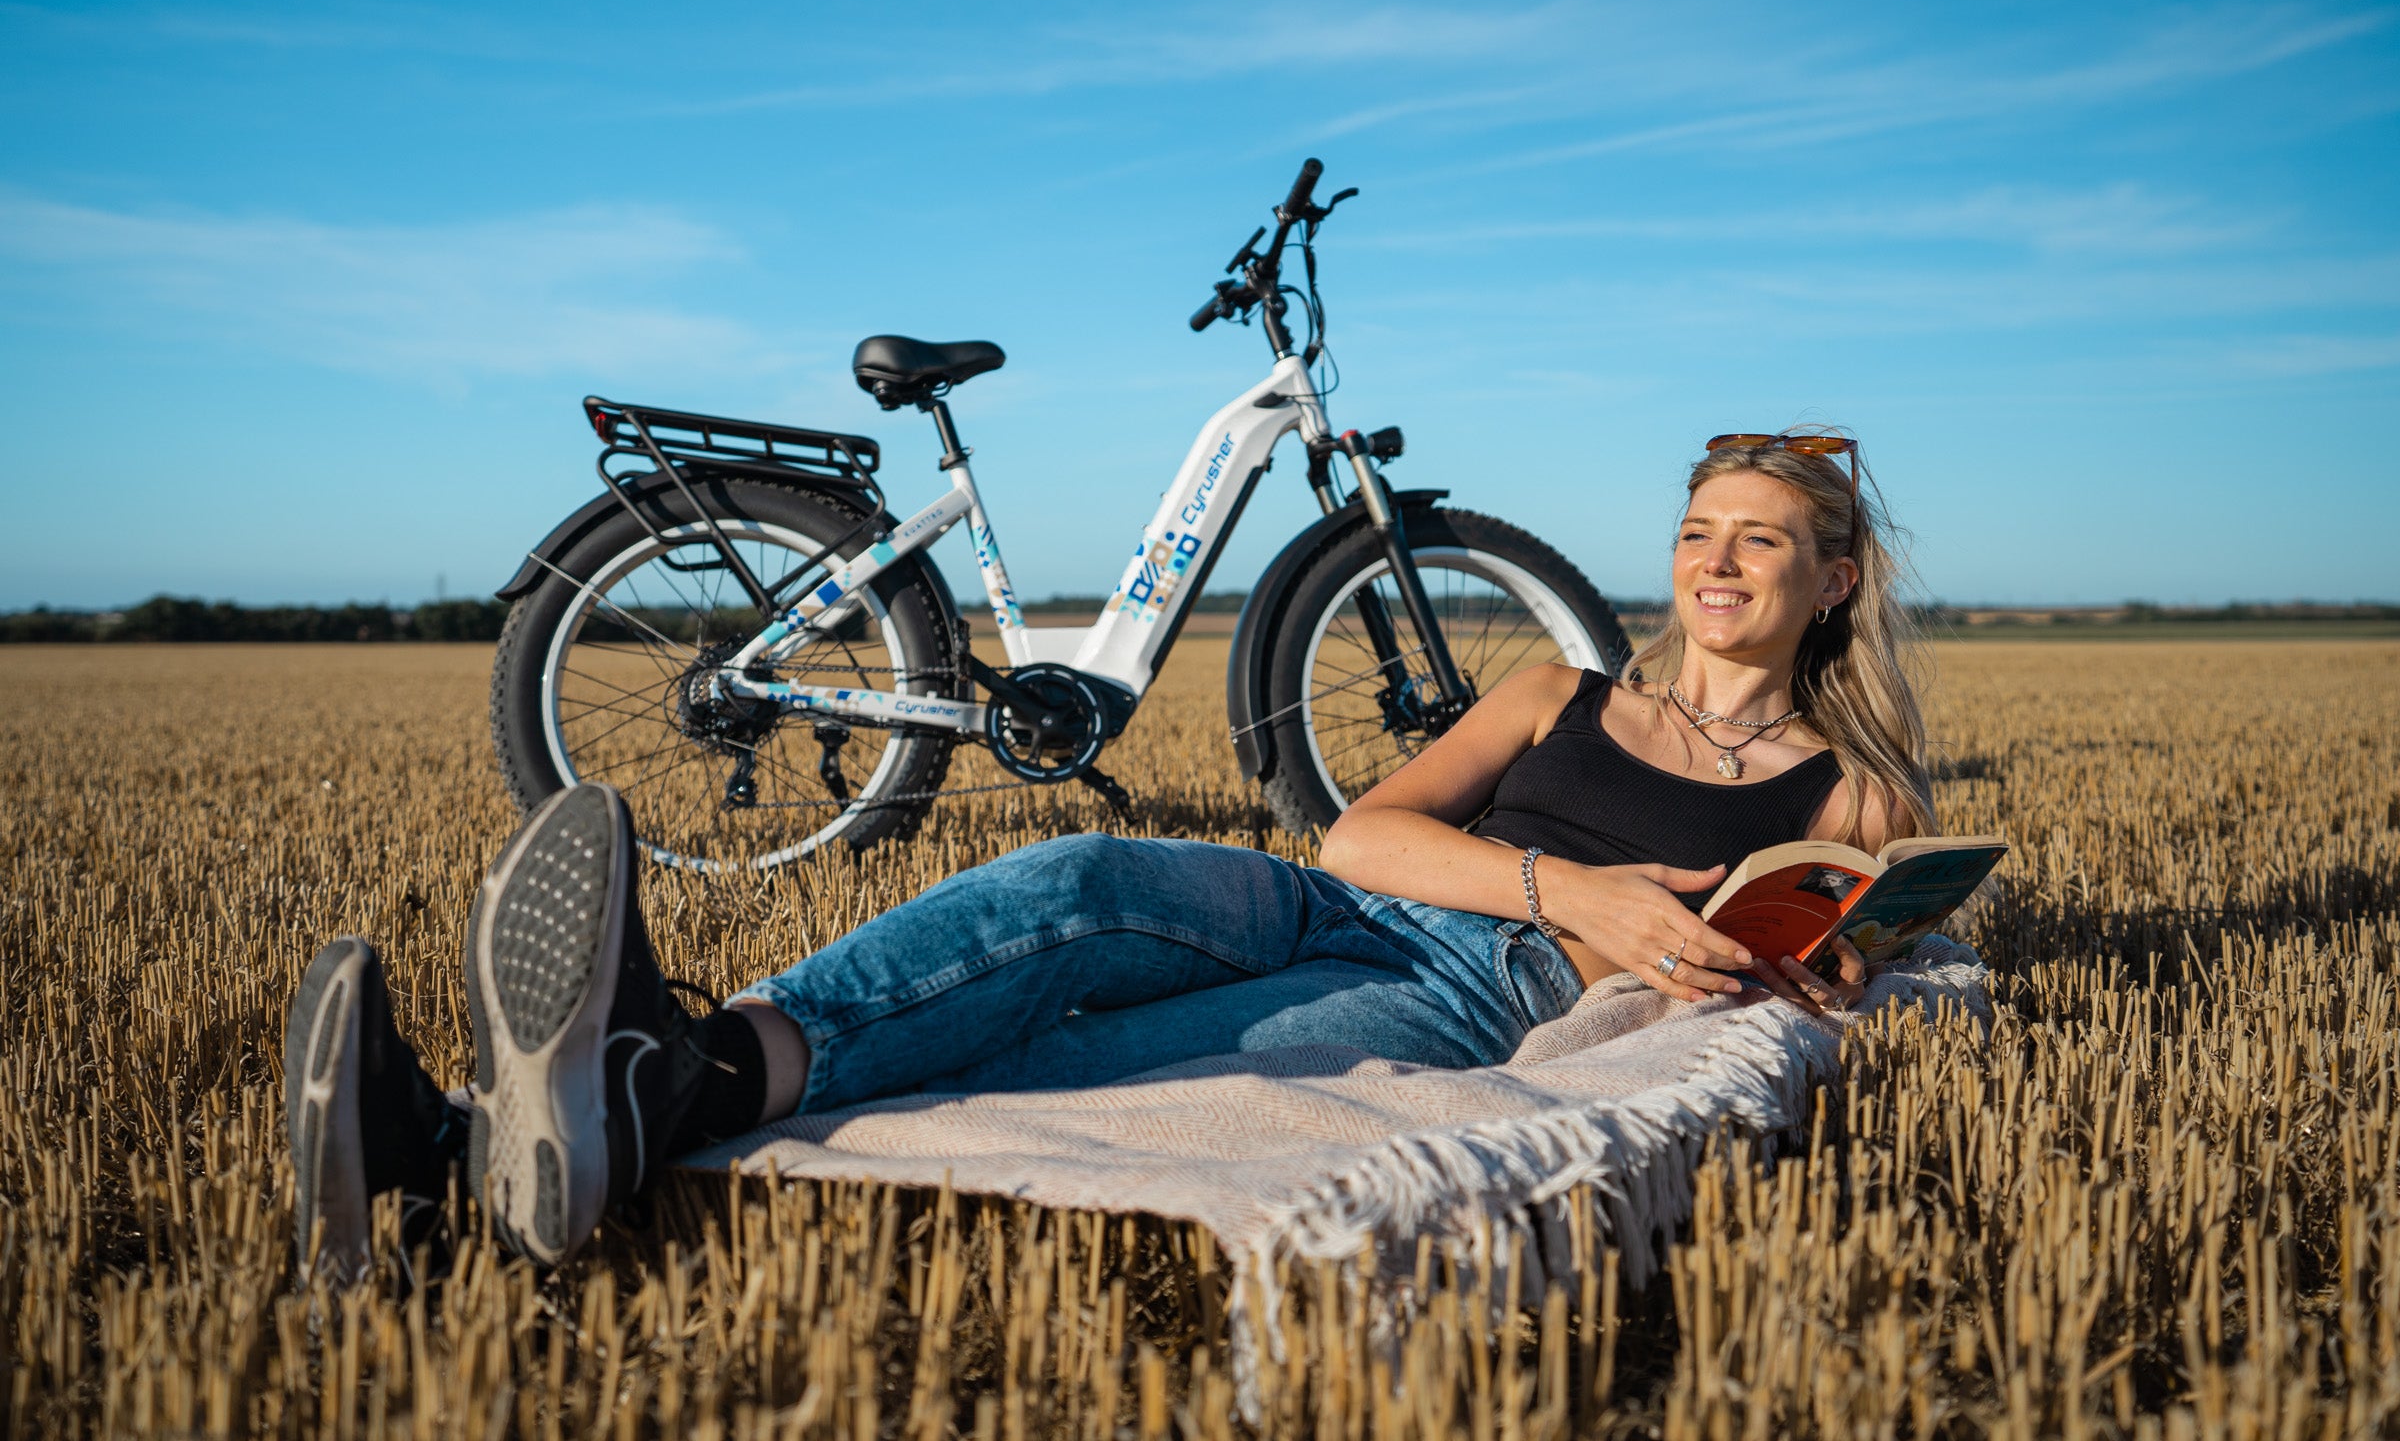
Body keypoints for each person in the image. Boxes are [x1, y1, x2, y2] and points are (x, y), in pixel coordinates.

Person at [283, 430, 1933, 1276]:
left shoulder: (1849, 785)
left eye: (1760, 541)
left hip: (1475, 1001)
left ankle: (473, 1140)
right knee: (1069, 889)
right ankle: (614, 1087)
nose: (1716, 562)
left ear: (1832, 580)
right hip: (1357, 897)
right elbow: (1367, 827)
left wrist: (1818, 956)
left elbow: (1854, 944)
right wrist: (1568, 884)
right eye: (1698, 531)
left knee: (1072, 1058)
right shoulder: (1559, 687)